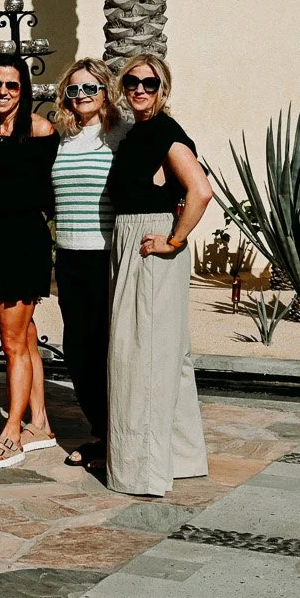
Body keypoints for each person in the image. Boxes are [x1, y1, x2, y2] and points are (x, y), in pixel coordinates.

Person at [105, 53, 211, 498]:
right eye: (132, 83)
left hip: (151, 241)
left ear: (163, 88)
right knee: (165, 352)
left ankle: (143, 471)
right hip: (135, 239)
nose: (140, 90)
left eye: (149, 83)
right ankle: (181, 457)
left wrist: (175, 239)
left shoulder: (165, 131)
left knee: (141, 355)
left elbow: (200, 190)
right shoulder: (137, 133)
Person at [0, 52, 58, 468]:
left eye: (12, 85)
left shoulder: (41, 131)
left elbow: (45, 195)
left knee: (11, 343)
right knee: (24, 336)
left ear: (23, 90)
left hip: (23, 244)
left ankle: (12, 435)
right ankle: (39, 422)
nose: (3, 92)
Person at [52, 57, 124, 471]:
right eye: (74, 90)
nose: (81, 96)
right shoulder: (64, 139)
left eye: (90, 89)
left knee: (107, 348)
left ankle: (117, 437)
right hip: (69, 257)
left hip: (106, 257)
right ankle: (102, 432)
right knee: (78, 349)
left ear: (105, 92)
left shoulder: (121, 136)